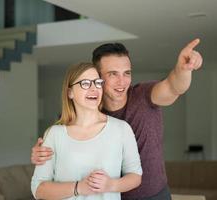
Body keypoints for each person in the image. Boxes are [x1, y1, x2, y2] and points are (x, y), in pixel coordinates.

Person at [31, 39, 203, 200]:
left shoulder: (143, 95)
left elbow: (173, 87)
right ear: (97, 77)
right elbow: (60, 151)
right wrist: (41, 154)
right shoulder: (80, 113)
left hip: (153, 195)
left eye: (126, 73)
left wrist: (183, 69)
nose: (122, 82)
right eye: (113, 74)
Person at [31, 63, 142, 200]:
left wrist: (111, 185)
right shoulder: (54, 134)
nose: (94, 88)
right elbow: (38, 189)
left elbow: (135, 176)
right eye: (85, 83)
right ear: (69, 92)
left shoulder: (122, 129)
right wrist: (78, 188)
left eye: (97, 83)